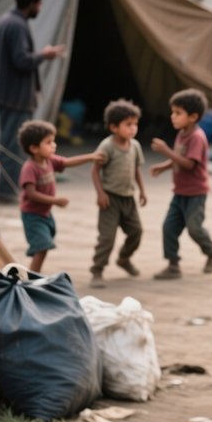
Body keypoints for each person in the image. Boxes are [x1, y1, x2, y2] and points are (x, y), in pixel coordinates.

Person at [0, 0, 65, 203]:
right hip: (16, 97)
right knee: (14, 146)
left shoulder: (6, 21)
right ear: (30, 4)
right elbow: (21, 60)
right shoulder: (17, 25)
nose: (40, 8)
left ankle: (7, 189)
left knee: (9, 142)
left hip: (7, 95)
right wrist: (44, 55)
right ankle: (8, 192)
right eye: (39, 4)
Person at [150, 88, 212, 279]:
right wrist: (164, 166)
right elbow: (179, 157)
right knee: (169, 228)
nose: (173, 117)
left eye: (178, 113)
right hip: (180, 192)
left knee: (194, 228)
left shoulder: (197, 137)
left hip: (196, 193)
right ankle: (173, 265)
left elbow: (189, 164)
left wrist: (165, 151)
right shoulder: (182, 134)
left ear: (193, 116)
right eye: (172, 112)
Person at [17, 120, 102, 273]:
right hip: (32, 215)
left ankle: (33, 274)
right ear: (34, 148)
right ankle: (31, 277)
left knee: (43, 247)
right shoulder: (30, 168)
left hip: (45, 213)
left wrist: (91, 157)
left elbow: (67, 162)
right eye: (49, 142)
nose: (54, 145)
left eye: (53, 141)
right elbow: (31, 194)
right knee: (42, 246)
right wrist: (55, 201)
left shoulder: (49, 160)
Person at [89, 99, 147, 288]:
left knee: (136, 231)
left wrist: (142, 191)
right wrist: (100, 194)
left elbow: (136, 169)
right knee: (107, 237)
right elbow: (95, 170)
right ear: (114, 127)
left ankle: (124, 258)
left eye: (135, 124)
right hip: (110, 199)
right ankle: (97, 270)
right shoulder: (107, 146)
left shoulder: (135, 146)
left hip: (128, 198)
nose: (133, 128)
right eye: (128, 124)